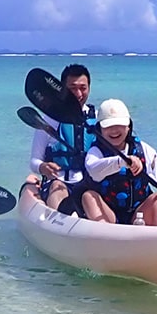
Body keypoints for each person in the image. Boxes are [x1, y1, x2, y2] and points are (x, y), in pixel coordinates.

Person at [82, 99, 157, 227]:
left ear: (128, 127)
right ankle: (107, 237)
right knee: (88, 197)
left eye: (120, 125)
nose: (114, 130)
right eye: (108, 126)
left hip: (139, 214)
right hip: (108, 215)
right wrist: (122, 161)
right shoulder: (95, 151)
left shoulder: (142, 149)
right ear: (99, 129)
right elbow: (94, 170)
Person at [28, 63, 97, 213]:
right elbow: (34, 161)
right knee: (57, 188)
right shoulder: (50, 121)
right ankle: (60, 224)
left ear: (89, 88)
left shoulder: (97, 118)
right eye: (72, 88)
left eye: (83, 88)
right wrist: (43, 167)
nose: (78, 94)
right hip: (59, 182)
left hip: (90, 184)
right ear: (62, 90)